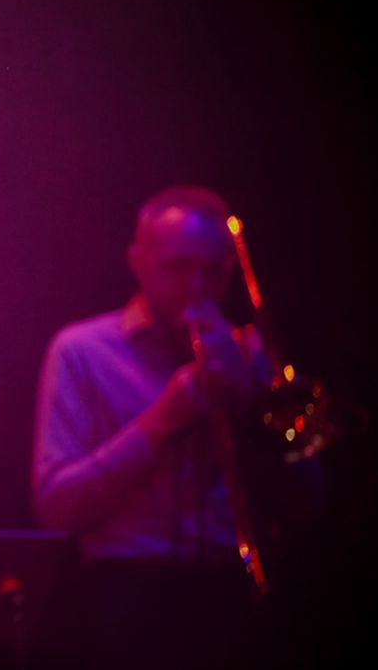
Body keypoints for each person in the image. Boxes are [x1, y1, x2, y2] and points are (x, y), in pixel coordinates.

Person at [31, 185, 286, 669]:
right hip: (127, 600)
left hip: (233, 597)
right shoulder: (82, 351)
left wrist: (249, 404)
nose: (196, 288)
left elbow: (307, 501)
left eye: (212, 273)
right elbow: (56, 508)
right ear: (139, 261)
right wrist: (163, 420)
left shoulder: (252, 355)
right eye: (178, 266)